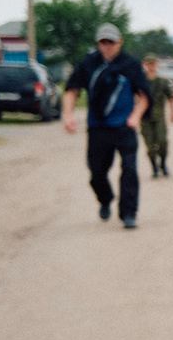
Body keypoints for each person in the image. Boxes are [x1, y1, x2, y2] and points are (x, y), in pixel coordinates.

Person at [62, 24, 151, 229]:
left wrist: (136, 116)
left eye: (111, 42)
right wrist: (68, 115)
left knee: (129, 169)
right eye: (103, 42)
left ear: (120, 42)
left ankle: (129, 213)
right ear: (98, 44)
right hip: (98, 127)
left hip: (124, 126)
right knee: (96, 173)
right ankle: (105, 198)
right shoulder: (88, 64)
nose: (107, 46)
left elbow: (144, 95)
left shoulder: (130, 64)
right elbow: (72, 90)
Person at [138, 55, 173, 178]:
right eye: (149, 64)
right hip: (145, 117)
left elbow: (171, 98)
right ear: (144, 64)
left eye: (153, 64)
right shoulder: (140, 81)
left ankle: (163, 164)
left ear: (157, 64)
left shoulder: (163, 82)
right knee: (150, 144)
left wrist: (172, 113)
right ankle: (154, 167)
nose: (151, 66)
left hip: (159, 116)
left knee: (162, 141)